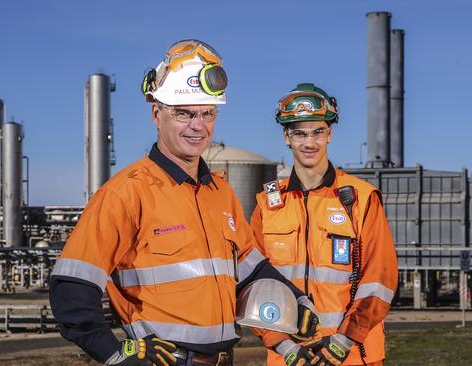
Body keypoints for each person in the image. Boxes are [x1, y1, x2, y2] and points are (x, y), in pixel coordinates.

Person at [49, 40, 318, 366]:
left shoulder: (220, 193)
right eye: (184, 114)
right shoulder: (125, 194)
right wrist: (119, 354)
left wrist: (296, 299)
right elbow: (70, 288)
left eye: (207, 113)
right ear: (156, 114)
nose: (198, 126)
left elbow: (252, 270)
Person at [249, 83, 399, 366]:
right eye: (300, 133)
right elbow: (254, 283)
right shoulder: (268, 204)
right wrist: (282, 346)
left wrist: (344, 341)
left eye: (318, 132)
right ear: (286, 137)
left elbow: (379, 279)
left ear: (329, 134)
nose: (309, 142)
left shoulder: (360, 198)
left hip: (353, 356)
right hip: (290, 358)